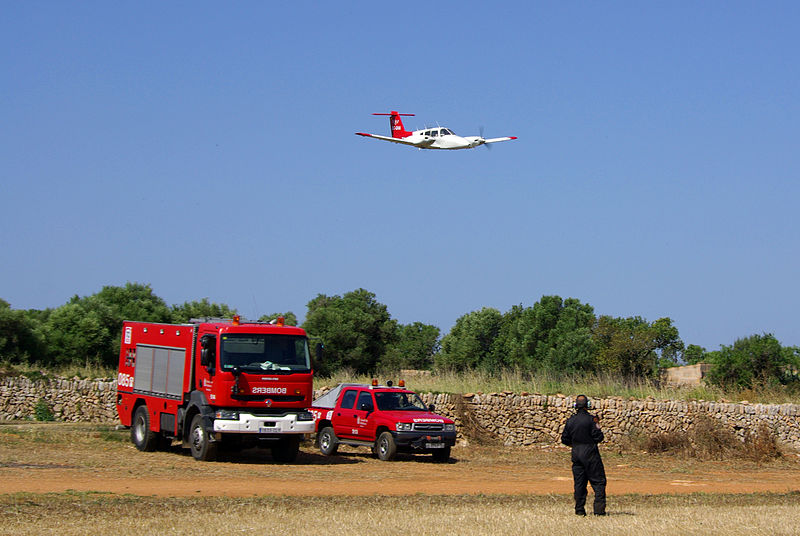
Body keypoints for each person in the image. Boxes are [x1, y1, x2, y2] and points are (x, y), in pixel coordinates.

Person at [560, 394, 606, 516]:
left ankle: (579, 510)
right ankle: (599, 511)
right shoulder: (592, 420)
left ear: (575, 406)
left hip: (576, 454)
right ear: (588, 405)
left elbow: (564, 439)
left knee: (579, 483)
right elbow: (599, 437)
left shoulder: (570, 421)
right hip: (591, 454)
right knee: (598, 482)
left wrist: (575, 445)